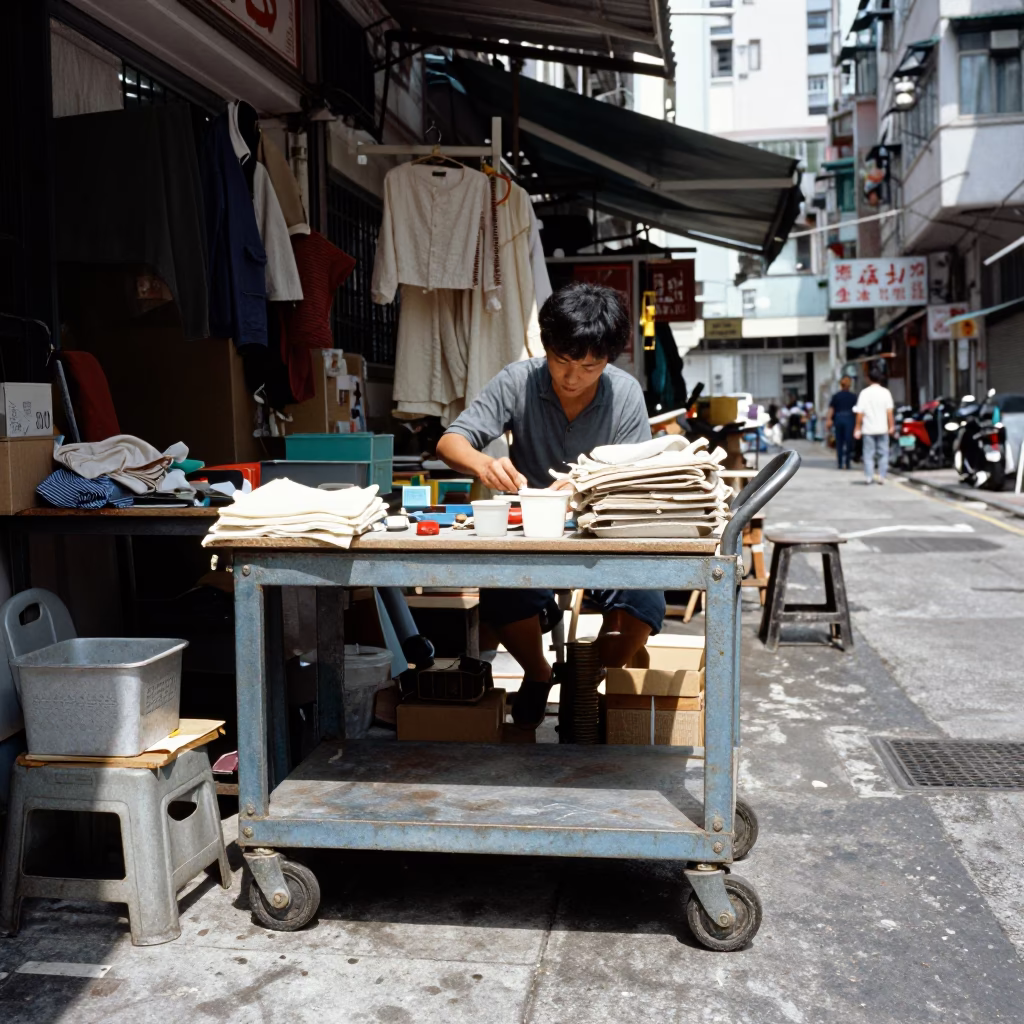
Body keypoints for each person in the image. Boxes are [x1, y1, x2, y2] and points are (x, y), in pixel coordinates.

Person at [436, 282, 665, 728]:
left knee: (645, 595)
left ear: (608, 359)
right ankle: (539, 672)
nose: (572, 377)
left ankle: (587, 672)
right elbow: (451, 441)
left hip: (604, 533)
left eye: (589, 366)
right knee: (499, 584)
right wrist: (485, 464)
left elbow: (638, 476)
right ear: (546, 347)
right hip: (530, 533)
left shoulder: (625, 394)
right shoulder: (517, 380)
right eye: (562, 361)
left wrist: (587, 485)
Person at [854, 366, 895, 484]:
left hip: (868, 429)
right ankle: (882, 476)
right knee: (883, 453)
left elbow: (860, 413)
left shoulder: (864, 393)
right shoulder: (885, 392)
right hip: (882, 429)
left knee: (868, 454)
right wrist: (891, 426)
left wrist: (857, 428)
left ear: (868, 379)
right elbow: (889, 412)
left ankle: (869, 476)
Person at [825, 376, 857, 470]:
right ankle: (847, 462)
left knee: (839, 442)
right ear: (849, 385)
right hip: (849, 418)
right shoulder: (853, 396)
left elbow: (831, 409)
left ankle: (840, 463)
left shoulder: (836, 396)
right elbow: (857, 410)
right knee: (849, 441)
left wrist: (829, 420)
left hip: (838, 418)